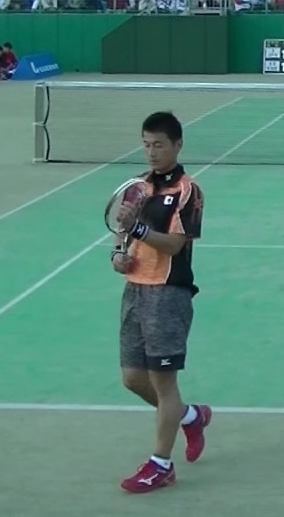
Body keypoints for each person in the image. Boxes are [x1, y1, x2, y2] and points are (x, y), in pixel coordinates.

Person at [112, 111, 212, 493]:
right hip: (134, 291)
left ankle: (161, 464)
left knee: (164, 382)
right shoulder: (136, 188)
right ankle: (190, 418)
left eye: (159, 145)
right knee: (133, 379)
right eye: (146, 144)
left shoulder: (189, 190)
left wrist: (138, 228)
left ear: (177, 145)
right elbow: (122, 236)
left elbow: (174, 244)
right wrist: (118, 256)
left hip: (168, 294)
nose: (151, 152)